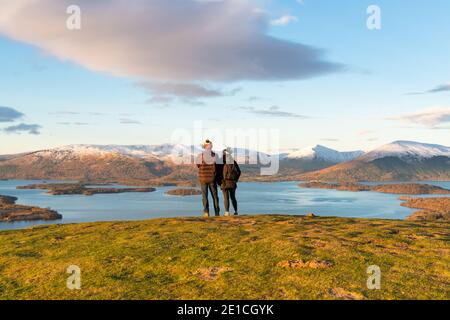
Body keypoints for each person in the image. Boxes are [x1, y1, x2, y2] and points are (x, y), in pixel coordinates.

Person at [196, 139, 220, 217]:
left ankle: (206, 212)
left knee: (204, 196)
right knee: (215, 196)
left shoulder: (200, 156)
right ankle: (217, 212)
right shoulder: (215, 155)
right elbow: (218, 166)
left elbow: (198, 165)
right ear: (211, 146)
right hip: (212, 178)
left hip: (203, 178)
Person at [220, 148, 241, 217]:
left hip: (225, 182)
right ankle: (236, 211)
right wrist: (235, 180)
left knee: (226, 198)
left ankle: (227, 212)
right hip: (232, 182)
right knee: (233, 197)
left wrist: (220, 181)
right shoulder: (233, 162)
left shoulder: (222, 162)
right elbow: (239, 172)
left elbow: (218, 172)